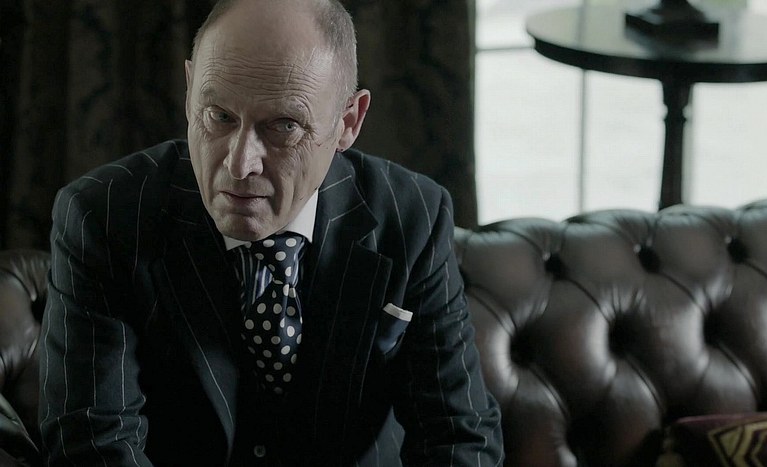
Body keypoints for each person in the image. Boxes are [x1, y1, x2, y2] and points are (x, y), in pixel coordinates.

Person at [38, 0, 504, 465]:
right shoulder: (103, 216)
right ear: (189, 90)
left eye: (284, 126)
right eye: (219, 116)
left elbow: (458, 435)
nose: (240, 164)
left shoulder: (412, 216)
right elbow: (95, 445)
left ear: (348, 122)